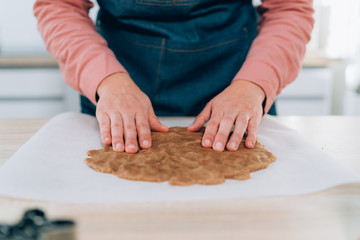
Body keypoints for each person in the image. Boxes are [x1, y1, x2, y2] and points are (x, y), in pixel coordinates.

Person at [34, 0, 314, 153]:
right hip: (117, 85)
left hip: (237, 84)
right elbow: (59, 6)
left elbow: (288, 8)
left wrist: (254, 84)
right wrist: (106, 80)